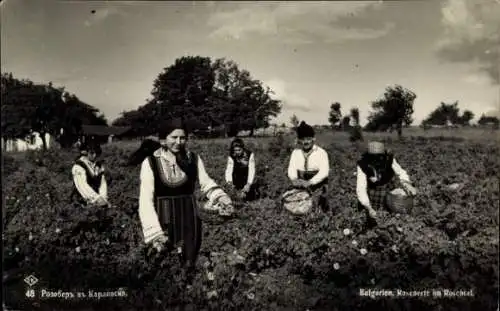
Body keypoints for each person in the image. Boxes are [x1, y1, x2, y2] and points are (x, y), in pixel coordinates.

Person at [138, 118, 231, 271]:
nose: (179, 142)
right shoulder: (151, 162)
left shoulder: (193, 159)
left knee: (189, 261)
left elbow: (206, 182)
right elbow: (145, 199)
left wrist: (221, 196)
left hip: (189, 217)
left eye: (182, 138)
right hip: (164, 216)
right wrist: (155, 232)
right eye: (174, 137)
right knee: (165, 263)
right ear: (163, 139)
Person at [356, 141, 417, 228]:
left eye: (379, 156)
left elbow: (400, 172)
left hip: (389, 192)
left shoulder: (389, 159)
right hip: (373, 195)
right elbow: (361, 188)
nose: (377, 159)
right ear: (369, 156)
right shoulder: (363, 164)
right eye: (374, 157)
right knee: (374, 220)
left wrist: (407, 184)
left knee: (391, 217)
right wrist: (369, 207)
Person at [287, 121, 330, 212]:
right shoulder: (296, 153)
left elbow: (324, 172)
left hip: (318, 187)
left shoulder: (321, 153)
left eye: (308, 139)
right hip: (300, 187)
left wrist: (310, 182)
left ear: (313, 139)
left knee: (318, 210)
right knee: (297, 209)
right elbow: (292, 168)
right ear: (299, 140)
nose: (305, 142)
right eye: (302, 139)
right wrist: (294, 179)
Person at [70, 141, 109, 207]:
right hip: (82, 199)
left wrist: (103, 198)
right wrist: (96, 198)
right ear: (86, 152)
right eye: (92, 153)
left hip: (98, 199)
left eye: (97, 153)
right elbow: (82, 185)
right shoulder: (79, 166)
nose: (94, 155)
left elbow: (102, 183)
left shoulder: (98, 166)